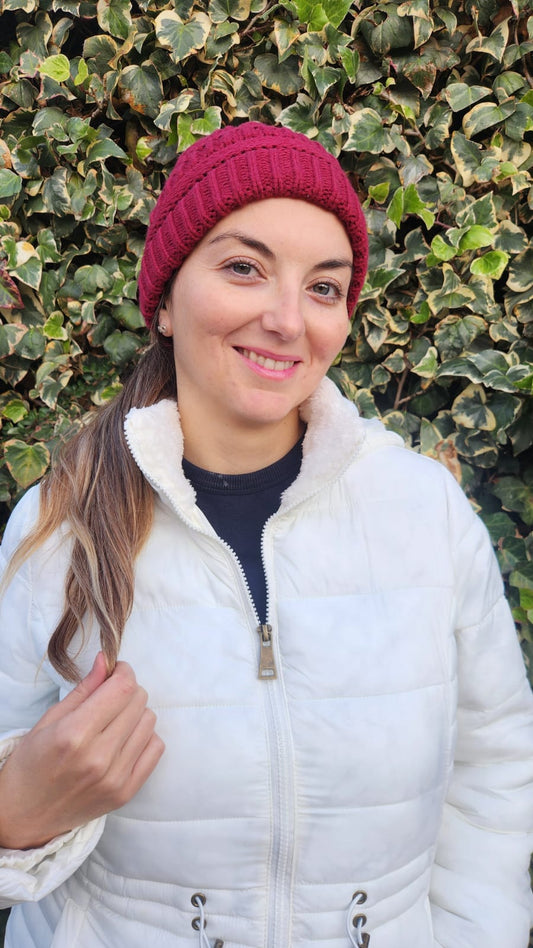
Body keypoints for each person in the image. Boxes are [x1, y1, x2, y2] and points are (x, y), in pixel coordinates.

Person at [0, 121, 532, 948]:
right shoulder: (58, 527)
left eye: (324, 287)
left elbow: (493, 773)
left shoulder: (425, 515)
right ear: (167, 300)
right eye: (244, 268)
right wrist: (15, 812)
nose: (289, 319)